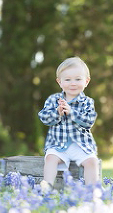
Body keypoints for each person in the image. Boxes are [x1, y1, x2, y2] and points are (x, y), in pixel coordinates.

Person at [38, 57, 98, 187]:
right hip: (58, 145)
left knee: (92, 161)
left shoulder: (87, 102)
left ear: (86, 81)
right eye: (67, 79)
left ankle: (92, 190)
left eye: (78, 79)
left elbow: (89, 121)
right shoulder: (53, 100)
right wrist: (56, 113)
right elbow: (44, 118)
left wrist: (72, 113)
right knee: (50, 158)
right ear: (59, 82)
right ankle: (46, 186)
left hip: (81, 145)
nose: (73, 83)